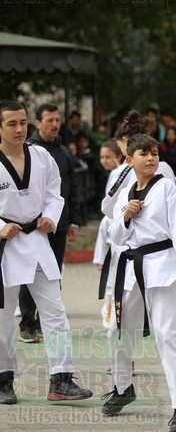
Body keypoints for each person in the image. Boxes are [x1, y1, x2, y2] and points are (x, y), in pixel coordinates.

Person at [101, 134, 176, 432]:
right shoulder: (125, 192)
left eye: (154, 152)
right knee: (116, 330)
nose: (151, 158)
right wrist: (126, 216)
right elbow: (115, 236)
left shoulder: (168, 187)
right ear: (129, 160)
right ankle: (122, 387)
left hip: (162, 267)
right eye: (143, 153)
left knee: (167, 334)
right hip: (130, 268)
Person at [0, 101, 92, 404]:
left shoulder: (40, 156)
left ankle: (61, 379)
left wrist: (51, 215)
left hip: (37, 239)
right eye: (12, 123)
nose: (19, 129)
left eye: (23, 122)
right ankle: (3, 380)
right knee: (2, 316)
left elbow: (56, 190)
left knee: (54, 310)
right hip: (6, 245)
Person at [19, 103, 83, 344]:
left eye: (58, 120)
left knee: (53, 273)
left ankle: (45, 322)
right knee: (29, 272)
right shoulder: (29, 150)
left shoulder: (64, 152)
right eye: (50, 120)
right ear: (38, 123)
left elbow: (71, 189)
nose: (55, 125)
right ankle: (27, 323)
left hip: (59, 223)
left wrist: (74, 220)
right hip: (32, 225)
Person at [93, 140, 124, 328]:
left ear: (118, 156)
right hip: (114, 232)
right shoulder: (115, 174)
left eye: (108, 157)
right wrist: (100, 257)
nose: (104, 161)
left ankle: (111, 316)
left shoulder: (120, 173)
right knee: (113, 281)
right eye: (101, 157)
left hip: (123, 233)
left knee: (116, 282)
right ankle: (109, 316)